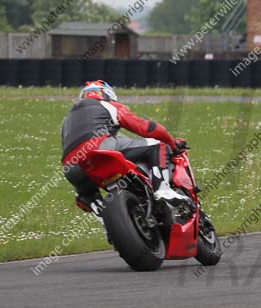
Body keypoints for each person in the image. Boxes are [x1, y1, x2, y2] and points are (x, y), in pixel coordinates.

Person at [61, 80, 189, 215]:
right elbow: (146, 129)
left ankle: (96, 207)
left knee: (86, 193)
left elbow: (68, 146)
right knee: (157, 144)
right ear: (107, 94)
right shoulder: (108, 105)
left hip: (71, 167)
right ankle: (162, 189)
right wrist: (172, 143)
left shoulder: (66, 121)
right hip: (100, 149)